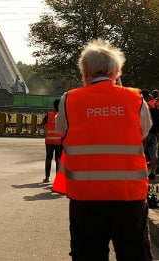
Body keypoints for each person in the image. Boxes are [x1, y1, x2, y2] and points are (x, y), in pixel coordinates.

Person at [55, 39, 152, 261]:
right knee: (134, 254)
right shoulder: (135, 99)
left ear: (85, 72)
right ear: (116, 71)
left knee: (88, 254)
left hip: (86, 199)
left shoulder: (70, 99)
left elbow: (61, 130)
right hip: (129, 197)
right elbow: (143, 132)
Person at [40, 98, 62, 183]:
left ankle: (47, 177)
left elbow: (42, 124)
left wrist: (46, 132)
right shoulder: (62, 115)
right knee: (58, 160)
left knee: (48, 158)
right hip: (59, 141)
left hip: (49, 141)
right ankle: (57, 178)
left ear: (54, 106)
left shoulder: (49, 115)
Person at [142, 89, 159, 179]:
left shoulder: (145, 104)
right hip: (154, 132)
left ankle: (143, 172)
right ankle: (152, 172)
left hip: (145, 132)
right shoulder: (156, 104)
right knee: (153, 152)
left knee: (142, 153)